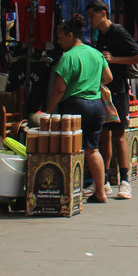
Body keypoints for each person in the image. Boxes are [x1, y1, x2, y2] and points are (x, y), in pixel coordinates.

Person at [47, 14, 112, 202]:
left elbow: (59, 89)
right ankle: (100, 192)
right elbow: (108, 78)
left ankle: (69, 191)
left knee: (71, 149)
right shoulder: (95, 53)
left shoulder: (68, 57)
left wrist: (48, 112)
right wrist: (91, 82)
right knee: (92, 149)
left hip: (75, 106)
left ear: (70, 36)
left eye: (60, 37)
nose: (58, 42)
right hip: (96, 106)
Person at [89, 0, 138, 200]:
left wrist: (114, 60)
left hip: (119, 91)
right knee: (104, 135)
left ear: (103, 13)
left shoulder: (118, 32)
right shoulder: (99, 35)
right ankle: (103, 181)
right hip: (104, 91)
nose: (90, 20)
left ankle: (125, 180)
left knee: (119, 135)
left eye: (92, 16)